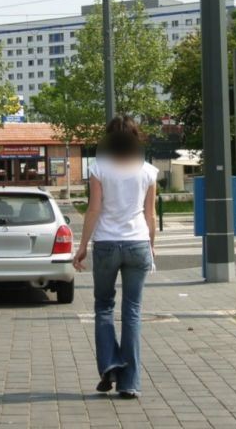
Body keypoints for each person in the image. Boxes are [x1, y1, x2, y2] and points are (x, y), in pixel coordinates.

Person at [72, 115, 158, 398]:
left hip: (107, 243)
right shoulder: (148, 171)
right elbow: (150, 214)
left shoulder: (99, 169)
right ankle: (130, 382)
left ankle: (109, 364)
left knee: (104, 307)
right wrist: (151, 245)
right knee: (132, 311)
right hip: (137, 243)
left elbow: (94, 210)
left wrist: (82, 245)